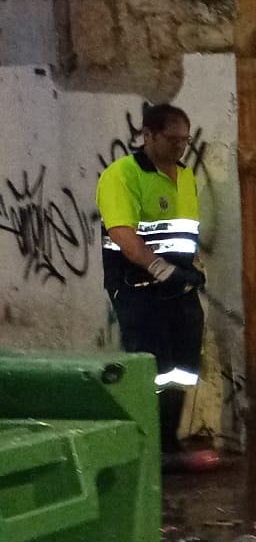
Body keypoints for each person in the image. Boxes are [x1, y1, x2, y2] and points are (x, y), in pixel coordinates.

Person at [96, 103, 204, 453]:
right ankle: (145, 449)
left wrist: (190, 270)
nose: (180, 147)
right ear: (148, 136)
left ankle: (167, 443)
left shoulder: (185, 176)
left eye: (185, 140)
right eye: (172, 140)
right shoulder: (122, 175)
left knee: (182, 369)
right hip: (137, 288)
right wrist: (160, 268)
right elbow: (123, 234)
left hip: (178, 287)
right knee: (152, 368)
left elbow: (182, 234)